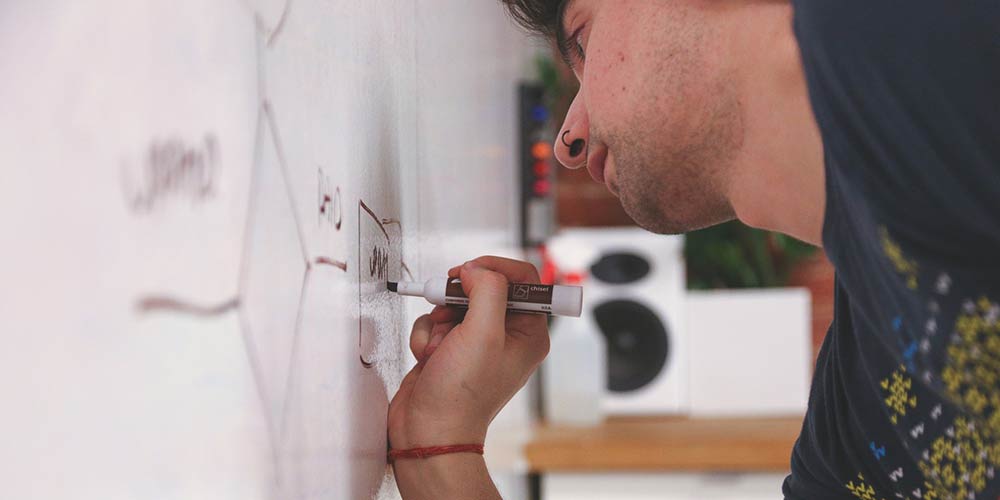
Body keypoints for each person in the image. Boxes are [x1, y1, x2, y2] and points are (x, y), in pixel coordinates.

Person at [388, 0, 1000, 498]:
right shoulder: (865, 396)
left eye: (584, 38)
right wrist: (441, 445)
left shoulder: (935, 37)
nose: (571, 137)